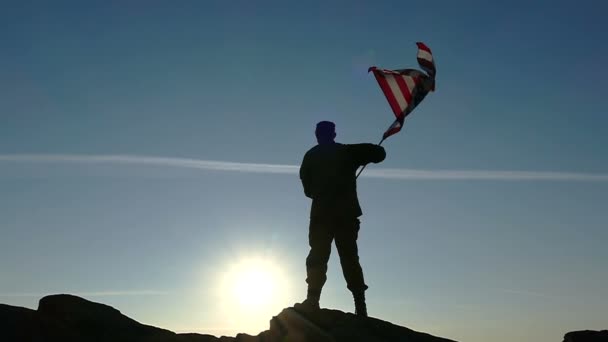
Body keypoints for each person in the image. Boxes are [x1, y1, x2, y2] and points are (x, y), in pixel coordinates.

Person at [299, 121, 386, 317]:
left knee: (320, 256)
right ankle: (359, 305)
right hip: (342, 215)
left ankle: (313, 300)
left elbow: (307, 189)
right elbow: (380, 154)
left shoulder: (312, 156)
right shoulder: (347, 152)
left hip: (323, 216)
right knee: (347, 258)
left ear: (318, 134)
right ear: (334, 134)